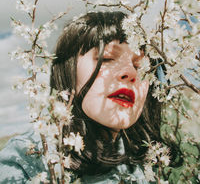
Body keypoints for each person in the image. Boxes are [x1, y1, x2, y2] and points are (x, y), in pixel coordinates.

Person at [0, 11, 199, 183]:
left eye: (140, 65)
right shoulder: (25, 161)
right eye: (107, 58)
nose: (131, 72)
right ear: (67, 71)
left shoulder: (144, 161)